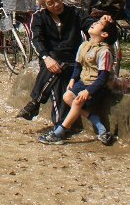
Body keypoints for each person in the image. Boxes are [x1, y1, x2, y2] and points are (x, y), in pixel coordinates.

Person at [39, 14, 117, 146]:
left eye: (98, 24)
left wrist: (88, 91)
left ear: (104, 34)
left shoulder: (105, 52)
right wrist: (73, 80)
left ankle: (59, 132)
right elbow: (78, 65)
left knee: (76, 102)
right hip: (84, 81)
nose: (94, 23)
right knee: (67, 97)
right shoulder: (84, 45)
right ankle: (97, 122)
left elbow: (103, 77)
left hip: (98, 86)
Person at [16, 0, 86, 125]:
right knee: (57, 78)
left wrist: (102, 23)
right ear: (43, 6)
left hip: (73, 59)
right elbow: (36, 40)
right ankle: (61, 125)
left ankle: (35, 103)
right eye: (51, 3)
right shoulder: (39, 18)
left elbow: (89, 23)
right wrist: (46, 58)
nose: (57, 4)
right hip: (50, 60)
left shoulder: (75, 12)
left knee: (57, 65)